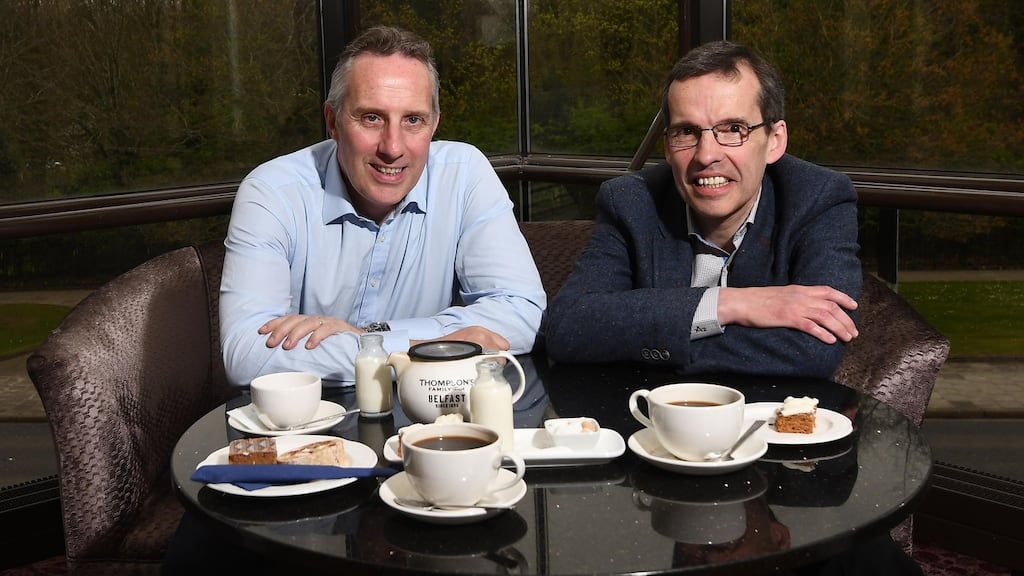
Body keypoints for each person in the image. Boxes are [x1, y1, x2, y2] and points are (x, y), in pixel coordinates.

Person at [219, 25, 545, 387]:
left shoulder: (464, 174)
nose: (392, 147)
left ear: (434, 125)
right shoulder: (272, 192)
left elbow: (522, 312)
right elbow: (245, 354)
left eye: (413, 120)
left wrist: (370, 337)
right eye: (371, 118)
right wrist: (420, 349)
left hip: (432, 411)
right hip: (316, 418)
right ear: (333, 122)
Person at [542, 40, 862, 380]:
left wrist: (637, 341)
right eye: (687, 132)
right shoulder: (631, 201)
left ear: (774, 140)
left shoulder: (818, 198)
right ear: (667, 147)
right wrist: (728, 303)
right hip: (646, 412)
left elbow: (814, 351)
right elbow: (567, 327)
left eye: (733, 129)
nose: (707, 155)